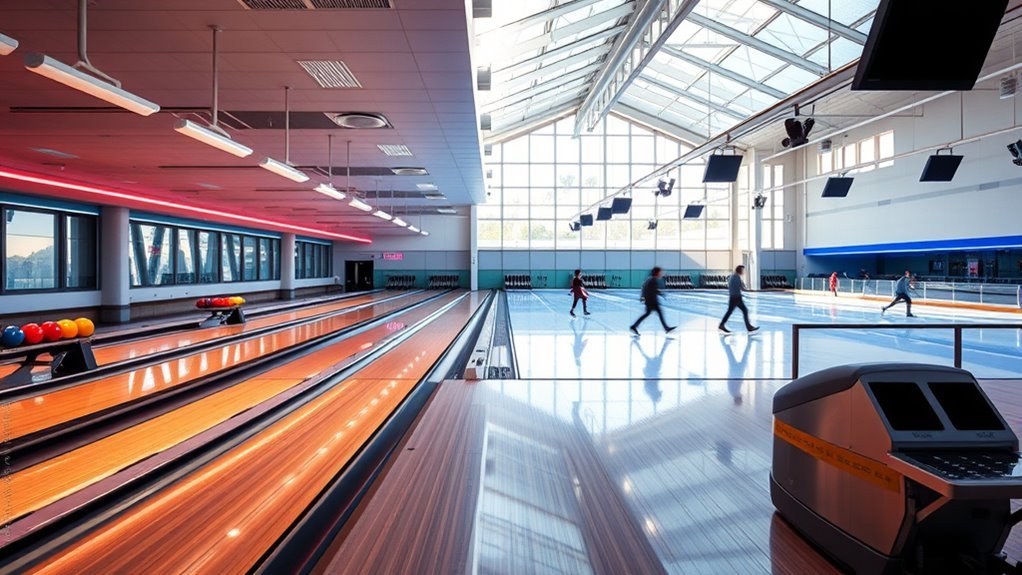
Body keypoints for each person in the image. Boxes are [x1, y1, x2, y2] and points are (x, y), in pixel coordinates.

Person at [630, 267, 675, 335]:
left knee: (648, 313)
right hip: (651, 301)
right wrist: (660, 294)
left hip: (649, 300)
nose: (661, 274)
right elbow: (652, 290)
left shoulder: (650, 279)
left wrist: (642, 297)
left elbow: (645, 288)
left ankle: (634, 326)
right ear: (657, 273)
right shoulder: (653, 280)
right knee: (656, 313)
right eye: (660, 272)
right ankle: (666, 328)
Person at [719, 265, 759, 334]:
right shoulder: (736, 277)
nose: (743, 272)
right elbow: (742, 288)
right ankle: (748, 327)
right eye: (742, 270)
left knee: (735, 311)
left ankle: (722, 325)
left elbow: (738, 288)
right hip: (736, 298)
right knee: (741, 311)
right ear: (739, 270)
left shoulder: (733, 276)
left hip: (734, 297)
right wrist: (750, 290)